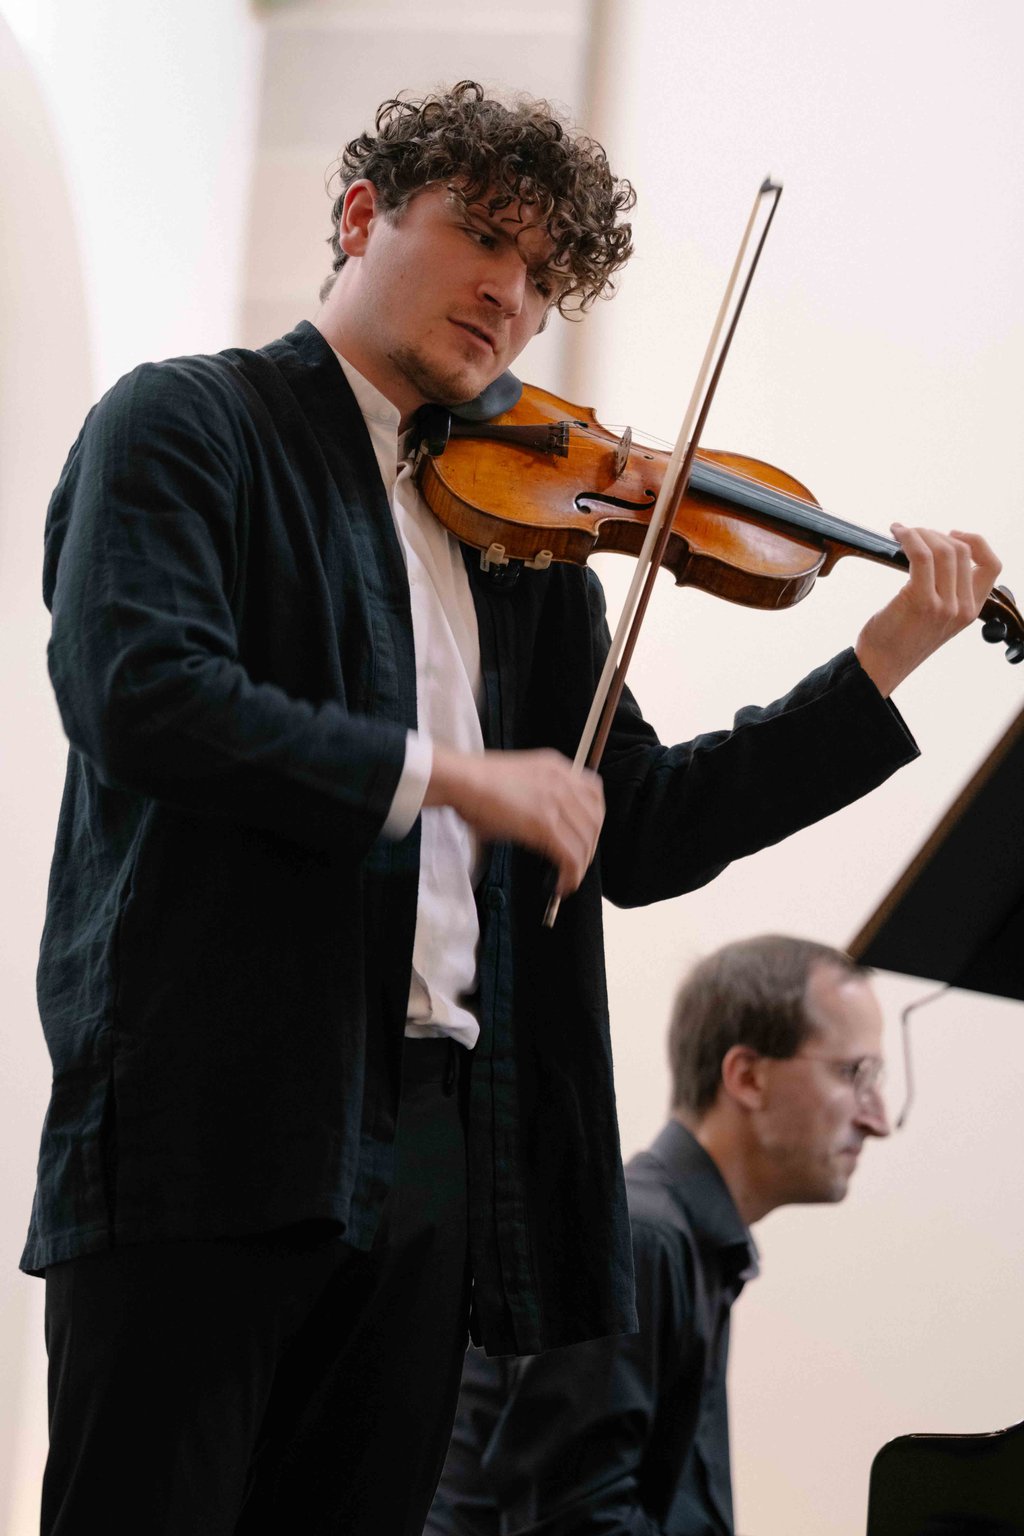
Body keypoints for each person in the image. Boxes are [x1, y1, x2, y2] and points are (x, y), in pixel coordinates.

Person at [21, 80, 997, 1536]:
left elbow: (645, 825)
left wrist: (879, 665)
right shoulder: (187, 426)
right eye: (484, 239)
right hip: (214, 1117)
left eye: (543, 279)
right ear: (358, 216)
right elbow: (143, 693)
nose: (511, 296)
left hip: (438, 1144)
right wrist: (449, 775)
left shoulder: (524, 554)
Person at [427, 936, 891, 1536]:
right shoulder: (643, 1242)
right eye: (856, 1073)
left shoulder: (670, 1241)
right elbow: (574, 1527)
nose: (877, 1117)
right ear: (746, 1077)